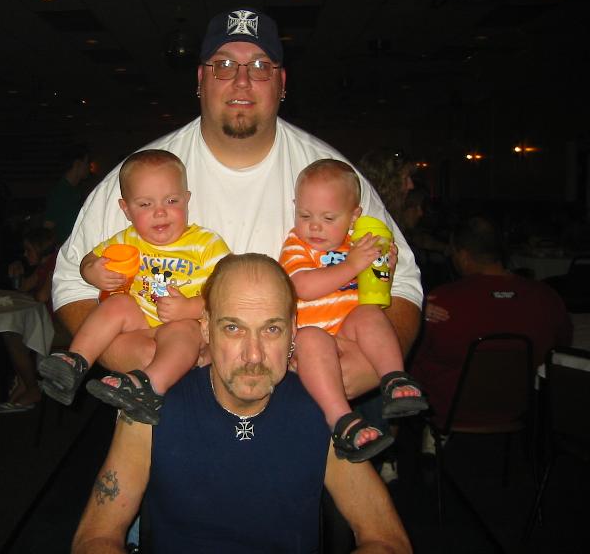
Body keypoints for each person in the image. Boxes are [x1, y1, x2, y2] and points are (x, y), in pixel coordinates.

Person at [53, 7, 423, 400]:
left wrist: (370, 367)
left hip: (305, 394)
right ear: (201, 79)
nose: (242, 81)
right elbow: (71, 282)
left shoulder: (332, 176)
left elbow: (401, 283)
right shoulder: (141, 175)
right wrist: (123, 351)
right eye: (224, 65)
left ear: (281, 83)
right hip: (165, 396)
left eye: (260, 66)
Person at [71, 253, 412, 553]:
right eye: (233, 328)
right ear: (206, 329)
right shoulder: (148, 408)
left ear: (293, 330)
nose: (254, 355)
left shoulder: (322, 409)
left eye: (271, 330)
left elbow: (387, 540)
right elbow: (95, 537)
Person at [38, 150, 230, 424]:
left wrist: (190, 307)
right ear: (126, 210)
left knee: (184, 329)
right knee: (119, 303)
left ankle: (148, 388)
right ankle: (75, 362)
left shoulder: (206, 244)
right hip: (139, 324)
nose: (160, 211)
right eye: (145, 204)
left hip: (185, 331)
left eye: (172, 201)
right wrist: (92, 272)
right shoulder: (127, 239)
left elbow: (229, 293)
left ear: (187, 200)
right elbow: (89, 259)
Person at [280, 160, 427, 463]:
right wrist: (352, 265)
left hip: (351, 336)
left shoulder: (357, 246)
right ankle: (341, 419)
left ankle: (394, 378)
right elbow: (302, 286)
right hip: (312, 345)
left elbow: (376, 292)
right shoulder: (298, 245)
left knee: (369, 313)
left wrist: (384, 268)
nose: (314, 226)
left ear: (353, 216)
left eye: (328, 217)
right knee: (310, 337)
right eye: (305, 215)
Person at [412, 215, 572, 428]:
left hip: (449, 414)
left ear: (463, 256)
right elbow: (562, 345)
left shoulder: (439, 303)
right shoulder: (547, 297)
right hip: (523, 412)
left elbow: (413, 356)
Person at [0, 227, 58, 413]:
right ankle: (25, 384)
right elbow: (23, 288)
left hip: (61, 327)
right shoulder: (43, 266)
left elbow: (42, 296)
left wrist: (34, 290)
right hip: (46, 320)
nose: (25, 254)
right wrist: (18, 273)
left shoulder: (55, 264)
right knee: (13, 329)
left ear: (40, 249)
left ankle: (32, 388)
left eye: (29, 250)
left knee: (13, 335)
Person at [43, 152, 91, 244]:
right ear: (77, 163)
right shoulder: (60, 191)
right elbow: (47, 228)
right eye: (87, 162)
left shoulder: (77, 190)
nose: (89, 167)